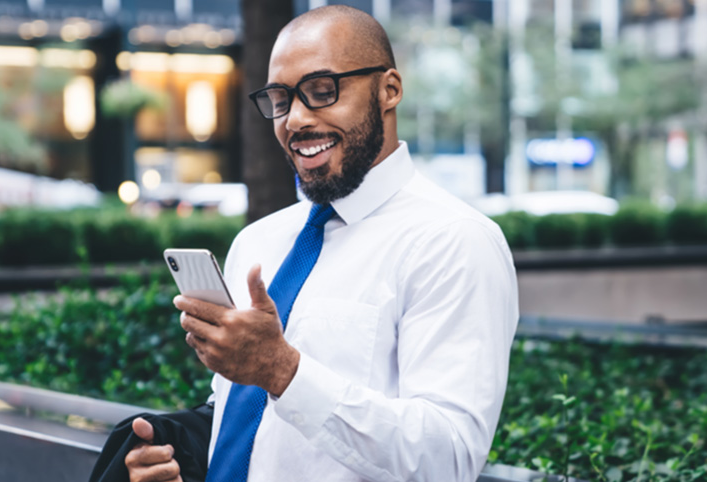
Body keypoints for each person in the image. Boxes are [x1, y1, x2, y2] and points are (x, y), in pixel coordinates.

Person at [90, 5, 518, 482]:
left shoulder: (453, 241)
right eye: (280, 99)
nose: (294, 119)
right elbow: (251, 423)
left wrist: (283, 372)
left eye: (320, 91)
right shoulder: (258, 242)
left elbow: (449, 459)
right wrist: (181, 462)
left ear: (388, 90)